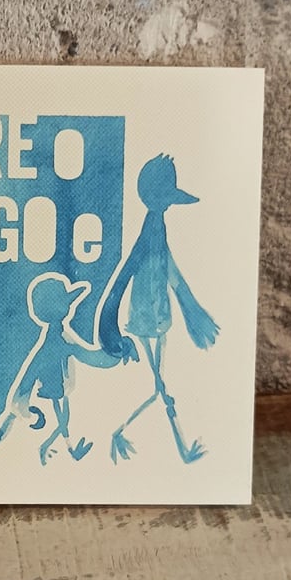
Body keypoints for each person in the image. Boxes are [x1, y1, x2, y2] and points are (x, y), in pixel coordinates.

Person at [98, 154, 219, 464]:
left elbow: (168, 268)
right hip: (147, 319)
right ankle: (127, 434)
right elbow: (133, 267)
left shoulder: (157, 226)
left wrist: (189, 305)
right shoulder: (151, 228)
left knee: (160, 389)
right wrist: (110, 321)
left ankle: (134, 434)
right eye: (166, 197)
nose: (168, 204)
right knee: (160, 390)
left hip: (157, 317)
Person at [0, 273, 119, 464]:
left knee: (63, 417)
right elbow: (86, 355)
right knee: (63, 417)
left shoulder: (57, 337)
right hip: (55, 384)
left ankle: (62, 447)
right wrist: (114, 355)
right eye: (66, 304)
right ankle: (62, 448)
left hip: (56, 385)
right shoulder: (58, 340)